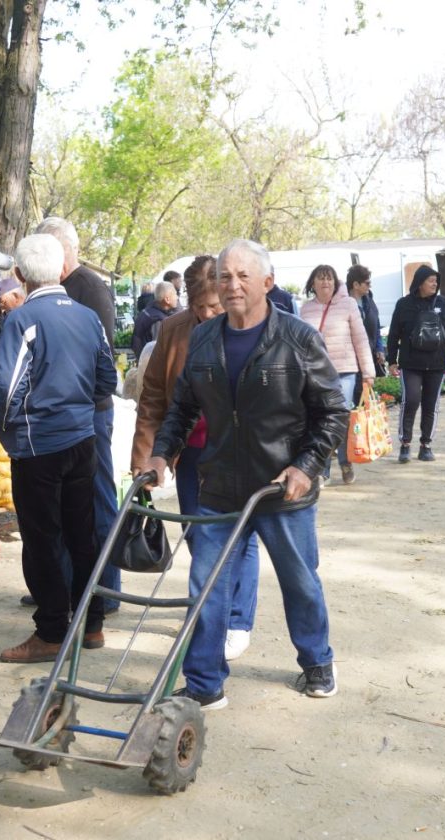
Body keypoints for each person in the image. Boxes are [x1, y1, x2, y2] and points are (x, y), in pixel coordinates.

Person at [144, 238, 347, 709]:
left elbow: (334, 413)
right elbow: (182, 409)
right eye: (224, 277)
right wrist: (162, 453)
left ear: (267, 283)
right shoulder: (205, 338)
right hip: (219, 486)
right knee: (207, 585)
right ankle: (204, 683)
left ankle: (317, 663)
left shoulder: (297, 339)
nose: (231, 286)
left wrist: (306, 466)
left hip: (280, 488)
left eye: (242, 277)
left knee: (300, 580)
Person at [0, 234, 117, 663]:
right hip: (82, 439)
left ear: (21, 275)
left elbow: (7, 389)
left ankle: (49, 633)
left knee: (43, 539)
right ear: (62, 266)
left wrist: (4, 429)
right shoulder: (87, 317)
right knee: (83, 533)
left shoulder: (22, 319)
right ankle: (92, 623)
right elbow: (107, 380)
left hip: (38, 444)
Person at [131, 255, 261, 662]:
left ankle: (236, 621)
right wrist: (148, 455)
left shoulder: (249, 325)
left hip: (240, 452)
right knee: (199, 535)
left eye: (214, 306)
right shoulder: (173, 329)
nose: (206, 314)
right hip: (191, 450)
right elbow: (153, 396)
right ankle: (210, 608)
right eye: (198, 306)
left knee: (240, 538)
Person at [34, 217, 122, 613]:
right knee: (66, 505)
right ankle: (68, 586)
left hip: (90, 414)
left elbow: (98, 360)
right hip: (64, 417)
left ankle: (106, 591)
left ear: (68, 249)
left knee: (100, 500)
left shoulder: (90, 288)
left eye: (51, 250)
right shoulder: (53, 288)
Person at [299, 265, 376, 485]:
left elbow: (360, 339)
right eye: (321, 279)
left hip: (345, 372)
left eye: (329, 279)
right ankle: (322, 470)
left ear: (336, 283)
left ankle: (345, 461)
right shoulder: (305, 310)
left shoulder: (348, 305)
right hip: (316, 373)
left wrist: (368, 373)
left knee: (340, 419)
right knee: (319, 421)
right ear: (312, 284)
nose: (325, 283)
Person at [386, 266, 445, 462]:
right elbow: (394, 334)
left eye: (436, 280)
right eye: (430, 280)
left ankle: (426, 445)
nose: (435, 284)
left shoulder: (442, 303)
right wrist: (391, 360)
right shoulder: (404, 304)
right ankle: (405, 444)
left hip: (436, 363)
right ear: (420, 282)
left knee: (431, 405)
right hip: (411, 363)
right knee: (410, 401)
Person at [347, 264, 385, 379]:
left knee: (365, 395)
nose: (370, 286)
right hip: (350, 363)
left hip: (369, 359)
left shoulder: (369, 302)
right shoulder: (343, 304)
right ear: (356, 285)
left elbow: (376, 328)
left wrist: (379, 348)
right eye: (367, 283)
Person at [131, 280, 177, 357]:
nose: (177, 297)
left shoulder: (148, 311)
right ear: (167, 299)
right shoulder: (157, 320)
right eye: (175, 294)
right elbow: (158, 351)